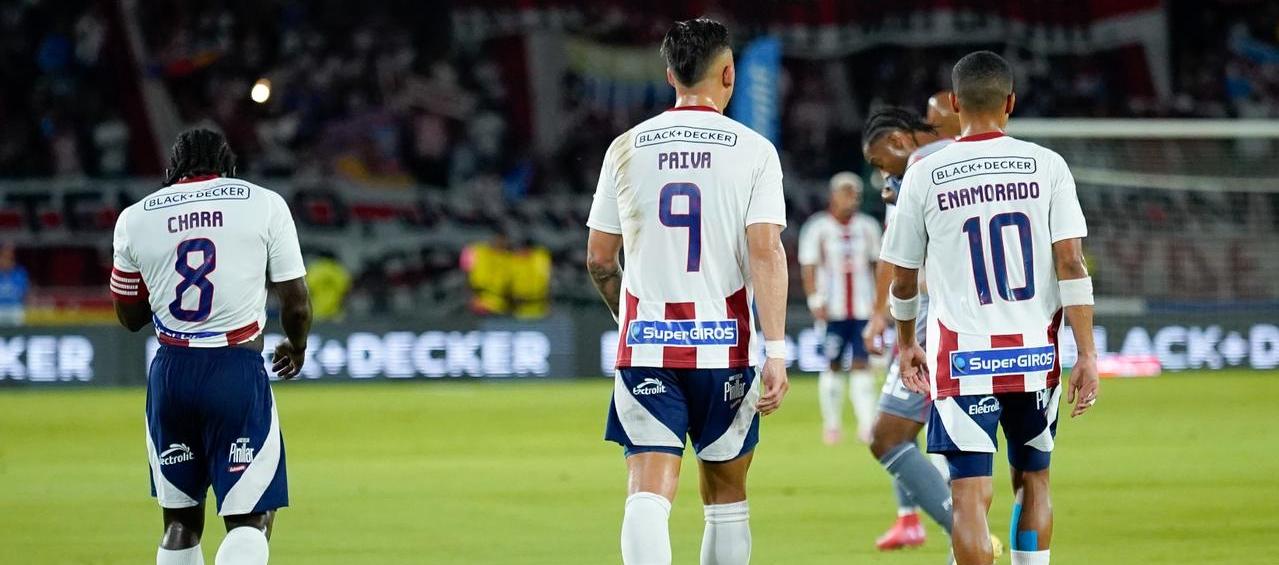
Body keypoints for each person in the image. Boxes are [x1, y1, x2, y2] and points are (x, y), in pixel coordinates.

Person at [880, 51, 1101, 565]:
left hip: (963, 360)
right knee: (1034, 481)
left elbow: (904, 276)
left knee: (969, 497)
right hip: (1033, 358)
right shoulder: (1048, 166)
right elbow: (1071, 263)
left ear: (955, 104)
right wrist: (1087, 353)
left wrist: (907, 342)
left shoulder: (926, 173)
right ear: (1010, 103)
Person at [585, 18, 790, 565]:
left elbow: (600, 260)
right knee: (726, 495)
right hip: (726, 348)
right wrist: (777, 350)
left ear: (670, 73)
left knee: (649, 488)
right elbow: (766, 251)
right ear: (729, 74)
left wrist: (628, 320)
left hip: (648, 345)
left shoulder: (625, 147)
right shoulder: (754, 150)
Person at [111, 128, 311, 565]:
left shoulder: (135, 217)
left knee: (180, 522)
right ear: (228, 167)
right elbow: (295, 303)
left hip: (171, 372)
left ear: (174, 168)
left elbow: (127, 316)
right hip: (234, 367)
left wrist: (165, 293)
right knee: (251, 519)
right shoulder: (263, 203)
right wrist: (296, 347)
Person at [860, 105, 959, 551]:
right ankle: (916, 520)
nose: (882, 175)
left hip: (929, 315)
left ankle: (966, 536)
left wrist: (890, 320)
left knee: (887, 435)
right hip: (987, 320)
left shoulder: (916, 173)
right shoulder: (962, 159)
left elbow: (896, 260)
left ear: (900, 140)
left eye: (881, 162)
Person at [798, 172, 882, 445]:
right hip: (831, 309)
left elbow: (878, 267)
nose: (853, 199)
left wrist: (880, 304)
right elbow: (808, 266)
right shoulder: (817, 227)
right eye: (847, 193)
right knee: (832, 364)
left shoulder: (868, 227)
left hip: (862, 308)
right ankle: (832, 425)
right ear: (834, 196)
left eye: (856, 194)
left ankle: (867, 425)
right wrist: (814, 300)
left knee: (862, 364)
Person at [0, 243, 30, 326]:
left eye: (9, 258)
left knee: (19, 314)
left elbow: (25, 293)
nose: (6, 260)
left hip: (15, 308)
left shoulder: (20, 273)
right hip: (0, 307)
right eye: (4, 257)